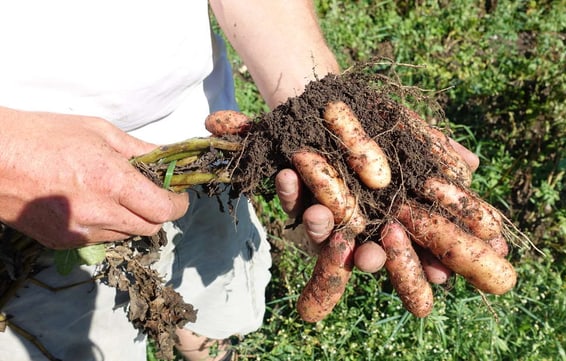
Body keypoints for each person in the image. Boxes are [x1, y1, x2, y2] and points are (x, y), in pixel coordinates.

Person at [0, 1, 479, 360]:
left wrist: (316, 103)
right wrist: (10, 161)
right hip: (31, 198)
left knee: (208, 290)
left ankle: (200, 343)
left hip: (203, 153)